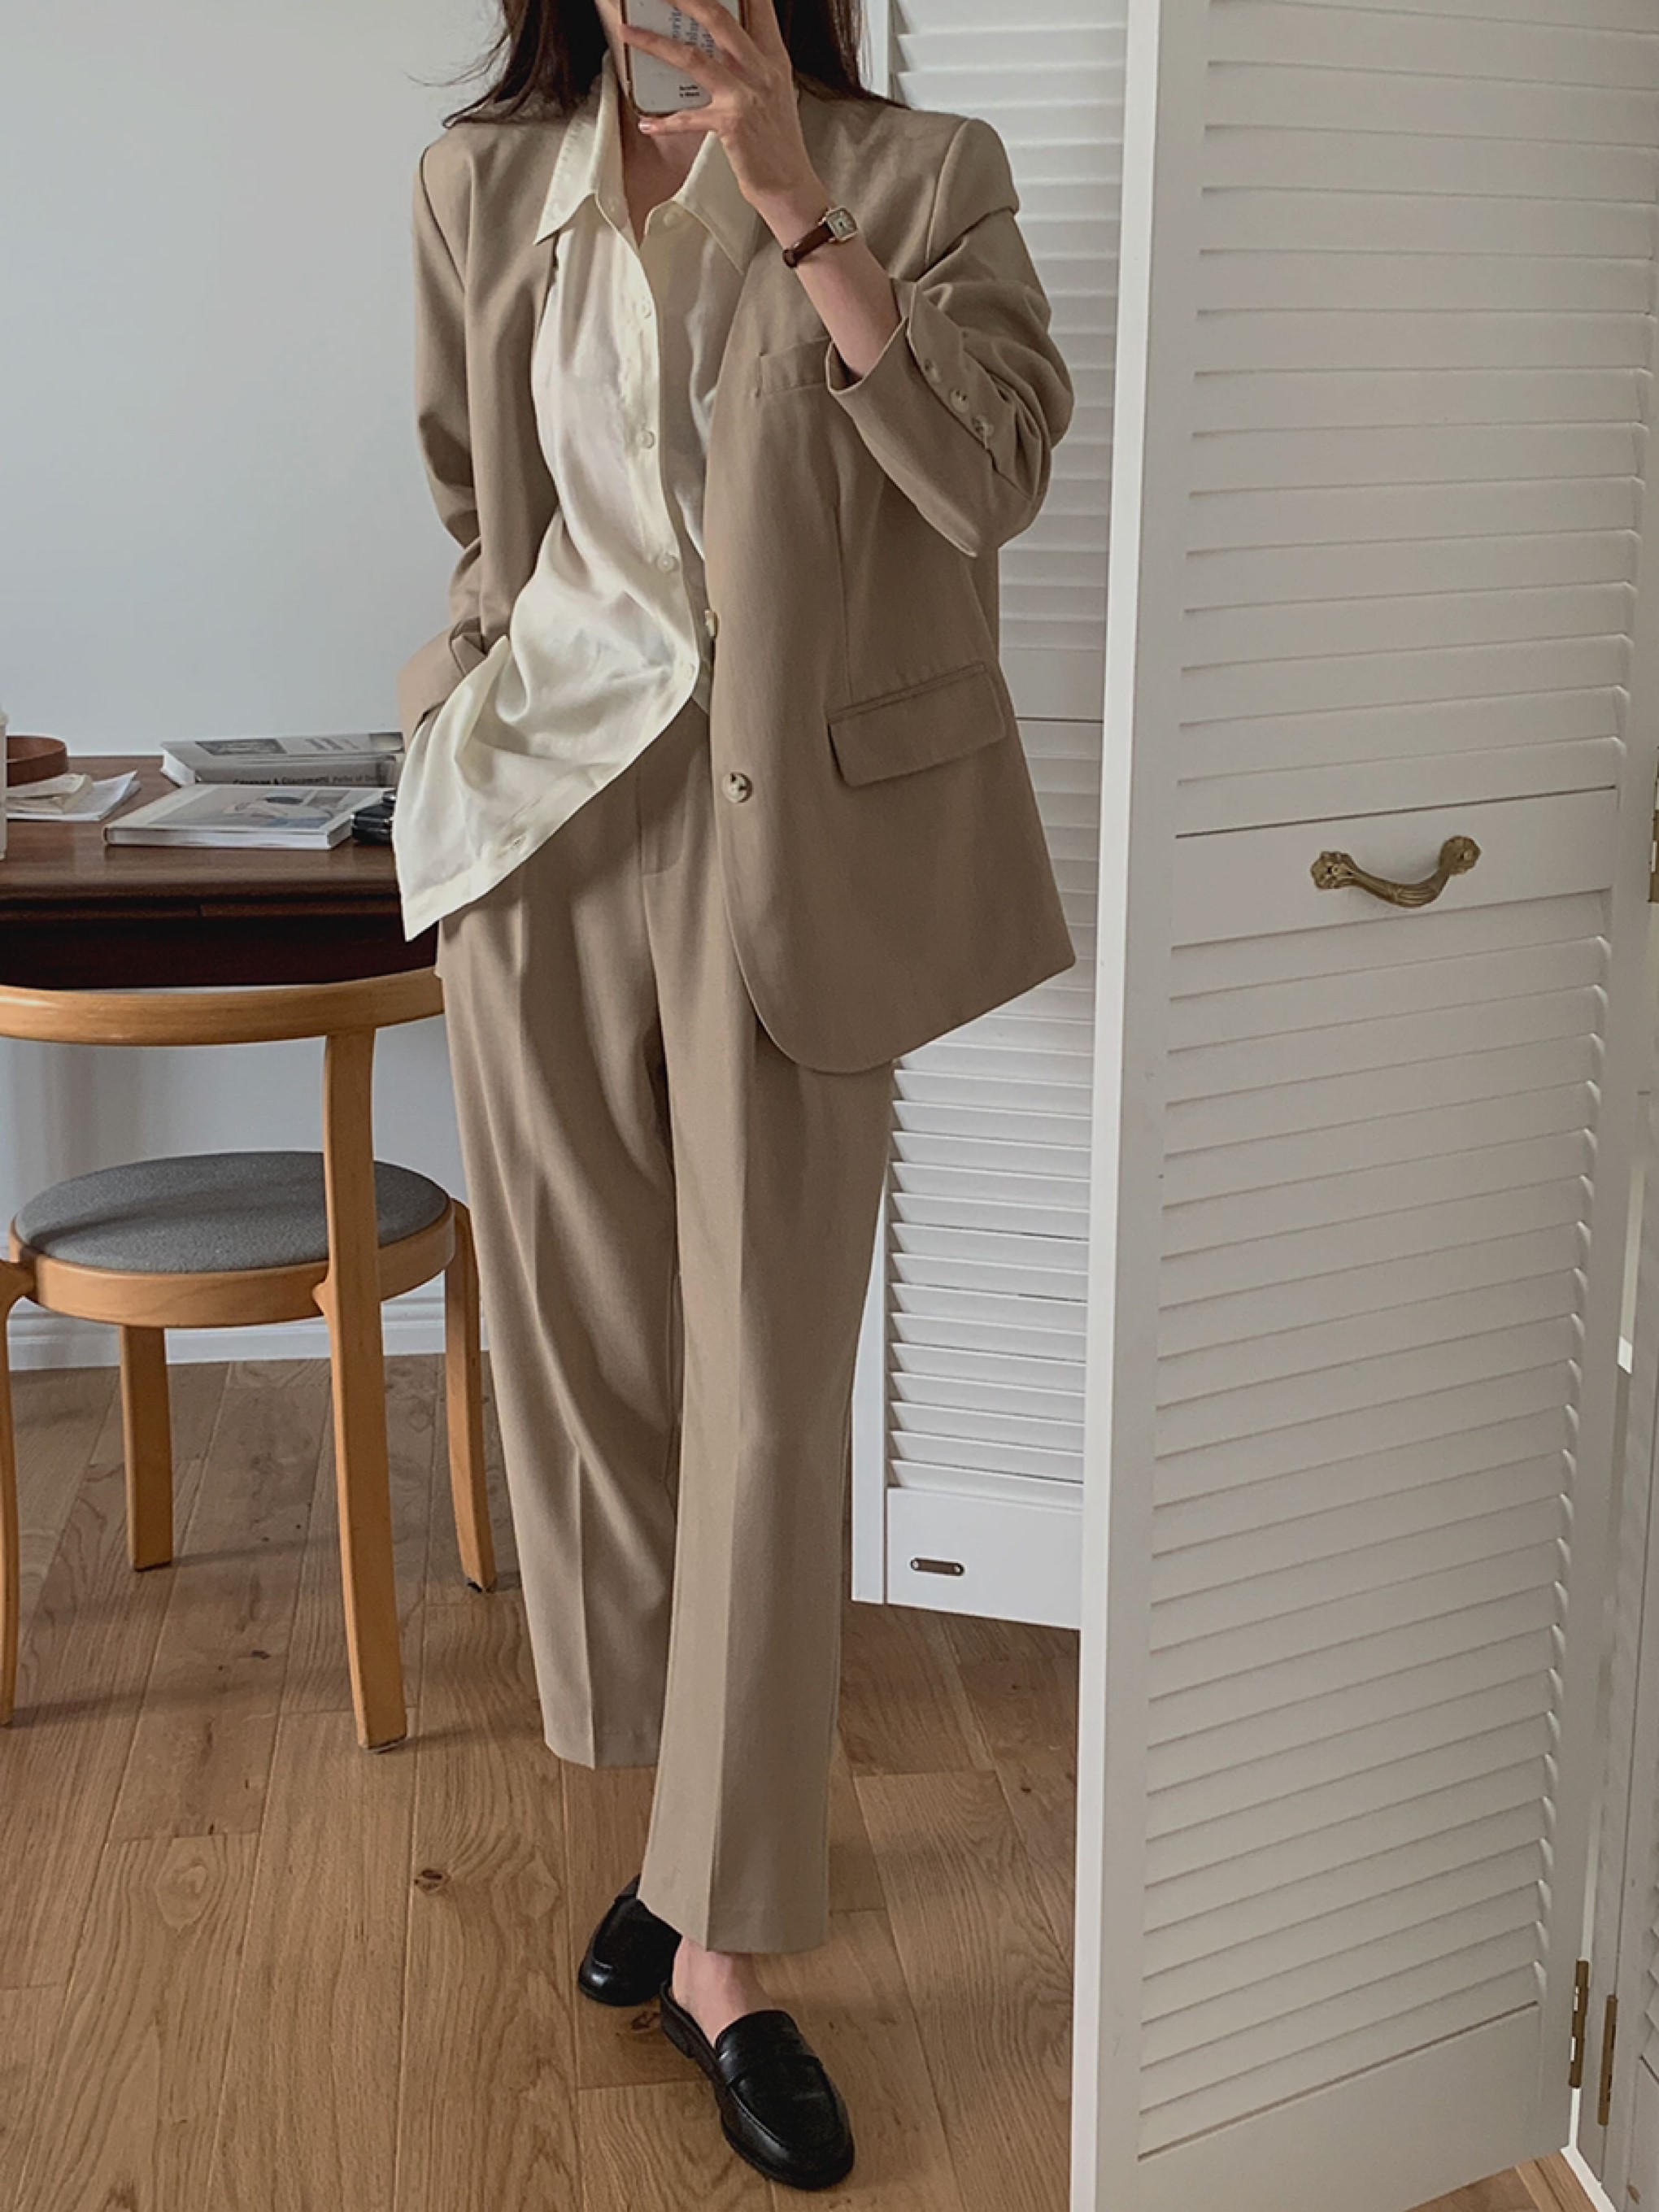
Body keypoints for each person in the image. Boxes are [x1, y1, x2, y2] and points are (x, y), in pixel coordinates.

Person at [391, 0, 1075, 2188]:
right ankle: (679, 1836)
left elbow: (989, 476)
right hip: (538, 837)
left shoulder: (922, 171)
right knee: (597, 1381)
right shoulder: (480, 179)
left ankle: (726, 1950)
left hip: (789, 847)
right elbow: (477, 495)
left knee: (769, 1399)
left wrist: (794, 208)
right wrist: (458, 707)